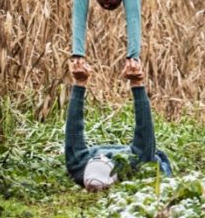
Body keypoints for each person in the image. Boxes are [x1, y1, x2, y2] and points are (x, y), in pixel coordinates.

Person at [65, 59, 172, 190]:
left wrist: (79, 83)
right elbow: (145, 131)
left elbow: (73, 130)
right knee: (155, 162)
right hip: (125, 163)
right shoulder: (136, 162)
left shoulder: (78, 166)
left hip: (95, 159)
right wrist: (137, 83)